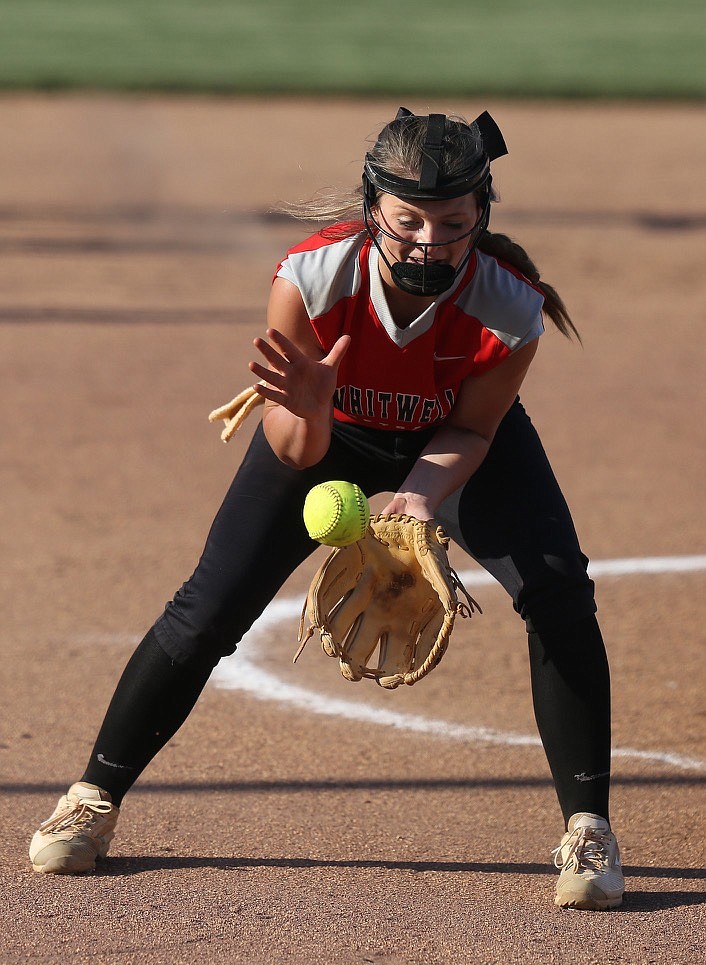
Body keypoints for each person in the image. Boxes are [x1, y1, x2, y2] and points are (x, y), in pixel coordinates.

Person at [29, 107, 624, 910]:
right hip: (322, 434)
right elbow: (292, 449)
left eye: (452, 222)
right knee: (208, 608)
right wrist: (310, 412)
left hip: (451, 438)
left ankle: (588, 828)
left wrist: (416, 501)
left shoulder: (510, 303)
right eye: (407, 219)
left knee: (559, 593)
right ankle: (91, 800)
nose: (427, 241)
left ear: (482, 211)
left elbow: (475, 427)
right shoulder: (310, 278)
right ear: (372, 204)